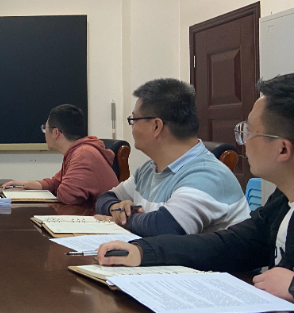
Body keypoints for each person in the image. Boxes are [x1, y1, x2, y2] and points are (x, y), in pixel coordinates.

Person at [97, 73, 294, 302]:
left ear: (282, 149)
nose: (244, 141)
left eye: (249, 132)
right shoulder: (281, 201)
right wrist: (144, 252)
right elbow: (233, 243)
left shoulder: (207, 173)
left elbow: (167, 226)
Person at [95, 78, 248, 236]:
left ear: (156, 126)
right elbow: (106, 198)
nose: (132, 128)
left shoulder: (208, 174)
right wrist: (115, 208)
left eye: (133, 120)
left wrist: (121, 221)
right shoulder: (149, 169)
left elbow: (166, 227)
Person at [1, 105, 119, 207]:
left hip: (100, 221)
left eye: (45, 128)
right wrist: (28, 184)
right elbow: (56, 183)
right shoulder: (78, 151)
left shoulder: (83, 154)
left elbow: (67, 196)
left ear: (56, 132)